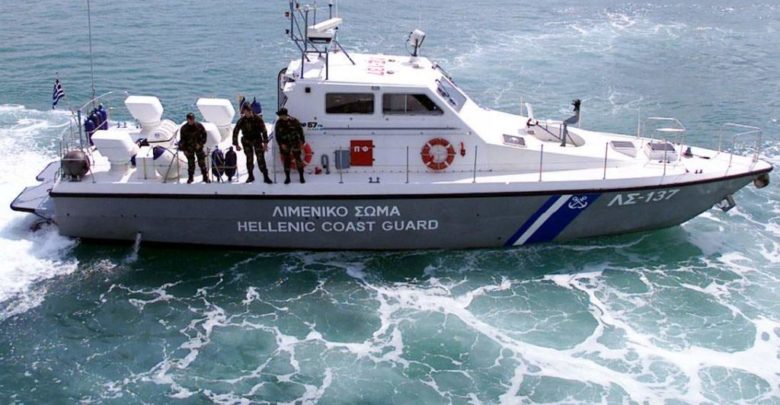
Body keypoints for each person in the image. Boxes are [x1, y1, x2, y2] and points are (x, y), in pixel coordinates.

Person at [233, 104, 273, 184]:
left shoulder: (258, 119)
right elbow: (235, 131)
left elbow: (264, 131)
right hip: (246, 141)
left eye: (247, 112)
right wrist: (236, 144)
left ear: (250, 111)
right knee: (249, 158)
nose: (246, 114)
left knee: (260, 158)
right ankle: (250, 176)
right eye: (244, 112)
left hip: (257, 140)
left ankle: (265, 176)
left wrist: (265, 143)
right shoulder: (242, 120)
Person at [274, 108, 306, 184]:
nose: (279, 116)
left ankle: (301, 177)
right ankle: (287, 178)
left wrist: (302, 142)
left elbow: (301, 132)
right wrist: (281, 144)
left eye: (280, 115)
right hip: (285, 144)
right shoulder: (278, 123)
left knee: (298, 159)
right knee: (286, 160)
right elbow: (277, 135)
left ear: (284, 115)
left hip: (295, 143)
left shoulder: (294, 121)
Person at [179, 112, 210, 184]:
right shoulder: (184, 128)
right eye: (190, 119)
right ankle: (191, 178)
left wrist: (201, 144)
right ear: (187, 120)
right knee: (191, 164)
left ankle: (205, 177)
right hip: (189, 148)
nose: (192, 120)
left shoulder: (199, 126)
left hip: (198, 147)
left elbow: (204, 135)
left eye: (192, 119)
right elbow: (182, 140)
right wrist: (184, 149)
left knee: (202, 163)